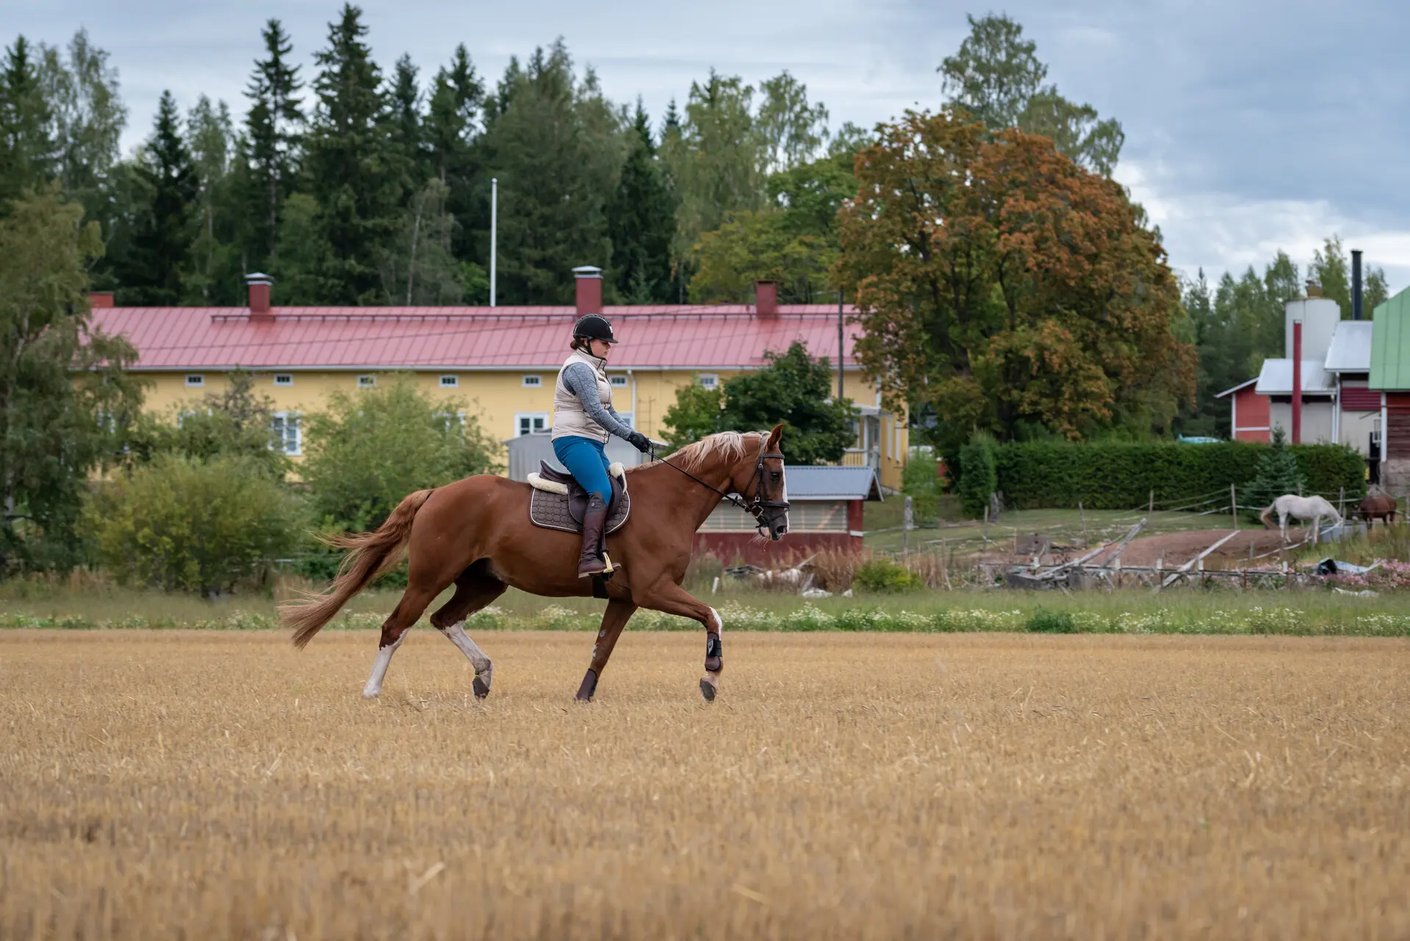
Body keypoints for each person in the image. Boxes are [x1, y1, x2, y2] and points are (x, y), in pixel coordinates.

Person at [551, 313, 652, 577]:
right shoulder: (579, 369)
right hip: (573, 440)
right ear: (585, 341)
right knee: (602, 490)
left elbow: (611, 411)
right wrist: (628, 437)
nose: (609, 346)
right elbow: (596, 412)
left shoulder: (596, 371)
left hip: (593, 443)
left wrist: (635, 434)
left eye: (610, 342)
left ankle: (605, 551)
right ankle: (587, 559)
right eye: (604, 342)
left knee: (619, 489)